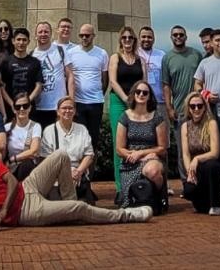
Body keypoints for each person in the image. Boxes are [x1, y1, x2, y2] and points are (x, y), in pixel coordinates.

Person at [0, 137, 150, 231]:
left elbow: (11, 180)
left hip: (26, 188)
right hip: (24, 211)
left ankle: (71, 210)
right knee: (79, 207)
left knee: (61, 155)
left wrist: (1, 210)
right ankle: (126, 215)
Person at [114, 80, 166, 208]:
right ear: (133, 94)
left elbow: (162, 148)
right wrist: (133, 155)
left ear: (149, 96)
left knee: (152, 171)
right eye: (138, 92)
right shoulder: (124, 117)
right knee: (129, 204)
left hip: (151, 157)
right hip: (130, 161)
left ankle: (159, 197)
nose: (141, 95)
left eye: (145, 92)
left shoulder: (157, 118)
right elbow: (119, 149)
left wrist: (142, 154)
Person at [160, 25, 201, 182]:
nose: (178, 37)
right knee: (183, 148)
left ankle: (200, 179)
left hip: (199, 109)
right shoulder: (167, 58)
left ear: (186, 36)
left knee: (201, 146)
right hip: (179, 110)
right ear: (171, 37)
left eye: (181, 34)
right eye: (175, 35)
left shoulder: (196, 54)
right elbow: (166, 85)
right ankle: (186, 181)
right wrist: (169, 108)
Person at [106, 26, 145, 182]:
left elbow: (144, 82)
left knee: (137, 142)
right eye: (124, 38)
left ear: (134, 40)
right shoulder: (115, 57)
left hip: (138, 104)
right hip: (118, 102)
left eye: (130, 37)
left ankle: (136, 183)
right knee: (120, 144)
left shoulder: (140, 59)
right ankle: (120, 187)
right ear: (120, 40)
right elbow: (113, 81)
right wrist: (126, 99)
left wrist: (139, 101)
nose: (127, 40)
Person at [67, 23, 108, 170]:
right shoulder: (71, 52)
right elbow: (69, 77)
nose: (84, 38)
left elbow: (105, 79)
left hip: (96, 103)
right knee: (78, 141)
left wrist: (97, 94)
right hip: (78, 102)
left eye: (87, 35)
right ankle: (78, 176)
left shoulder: (102, 53)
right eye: (81, 35)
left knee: (93, 141)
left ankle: (89, 177)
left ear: (93, 36)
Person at [178, 92, 220, 215]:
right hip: (195, 169)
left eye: (199, 106)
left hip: (210, 165)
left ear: (205, 107)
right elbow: (185, 154)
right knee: (189, 192)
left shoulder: (211, 123)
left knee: (211, 166)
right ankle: (203, 201)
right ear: (188, 108)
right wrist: (190, 172)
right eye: (193, 106)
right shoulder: (185, 126)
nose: (196, 109)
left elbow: (215, 153)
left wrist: (197, 159)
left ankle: (216, 204)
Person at [41, 96, 96, 203]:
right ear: (58, 111)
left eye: (70, 108)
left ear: (75, 111)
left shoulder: (82, 129)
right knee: (58, 207)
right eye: (64, 108)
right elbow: (45, 160)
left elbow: (89, 155)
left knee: (87, 205)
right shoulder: (49, 130)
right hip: (57, 176)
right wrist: (66, 174)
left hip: (78, 174)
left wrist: (78, 172)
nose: (67, 111)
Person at [30, 21, 74, 128]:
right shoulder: (32, 55)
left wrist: (71, 100)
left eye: (46, 31)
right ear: (36, 35)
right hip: (39, 107)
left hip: (58, 107)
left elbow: (70, 75)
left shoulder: (60, 50)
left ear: (51, 34)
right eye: (40, 32)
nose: (43, 34)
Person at [0, 27, 43, 117]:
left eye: (24, 40)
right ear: (13, 41)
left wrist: (26, 103)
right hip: (10, 108)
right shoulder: (5, 62)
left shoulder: (35, 62)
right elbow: (1, 87)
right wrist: (12, 104)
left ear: (28, 42)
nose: (21, 43)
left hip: (29, 108)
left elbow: (39, 86)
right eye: (18, 40)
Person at [6, 93, 44, 179]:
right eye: (18, 107)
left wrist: (13, 159)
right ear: (14, 109)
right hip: (10, 168)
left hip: (27, 166)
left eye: (25, 106)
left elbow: (33, 150)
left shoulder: (35, 126)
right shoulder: (7, 127)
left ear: (30, 108)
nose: (22, 109)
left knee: (27, 164)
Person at [138, 27, 166, 106]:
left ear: (154, 39)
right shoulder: (135, 54)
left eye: (149, 37)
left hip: (159, 101)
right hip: (140, 100)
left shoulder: (161, 54)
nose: (146, 39)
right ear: (139, 38)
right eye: (143, 37)